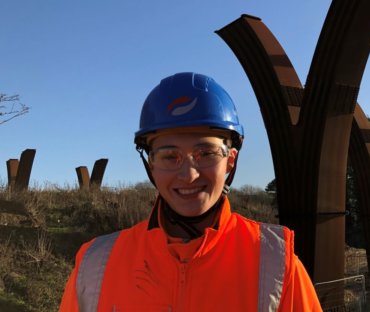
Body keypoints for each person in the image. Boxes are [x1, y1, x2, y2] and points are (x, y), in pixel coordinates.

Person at [60, 72, 322, 311]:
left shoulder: (275, 265)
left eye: (205, 153)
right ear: (151, 164)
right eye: (169, 156)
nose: (188, 175)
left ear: (230, 160)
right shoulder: (95, 266)